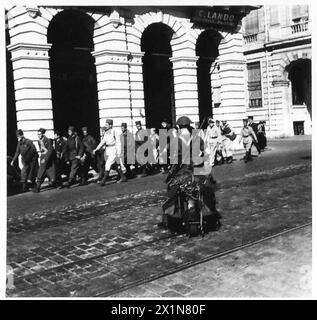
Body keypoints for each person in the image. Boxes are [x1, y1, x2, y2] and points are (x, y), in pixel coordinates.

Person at [158, 116, 220, 233]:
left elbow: (170, 157)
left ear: (179, 127)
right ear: (189, 126)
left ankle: (172, 215)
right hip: (198, 171)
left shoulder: (176, 140)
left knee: (172, 190)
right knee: (208, 188)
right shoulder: (196, 138)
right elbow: (207, 153)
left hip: (182, 173)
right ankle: (210, 212)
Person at [93, 119, 127, 186]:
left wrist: (119, 152)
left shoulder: (114, 132)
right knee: (115, 165)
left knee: (108, 164)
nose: (106, 126)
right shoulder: (106, 133)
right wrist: (96, 148)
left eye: (107, 124)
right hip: (108, 151)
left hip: (114, 150)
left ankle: (103, 181)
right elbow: (103, 142)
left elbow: (118, 142)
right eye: (105, 124)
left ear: (111, 125)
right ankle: (123, 177)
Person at [34, 128, 57, 192]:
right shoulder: (39, 141)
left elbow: (50, 150)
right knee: (40, 173)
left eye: (40, 134)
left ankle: (54, 183)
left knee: (52, 175)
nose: (38, 135)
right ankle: (37, 187)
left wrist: (45, 159)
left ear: (43, 134)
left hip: (48, 159)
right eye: (38, 134)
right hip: (43, 159)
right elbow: (41, 150)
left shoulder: (48, 140)